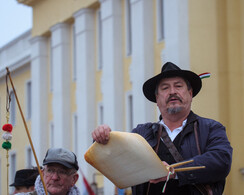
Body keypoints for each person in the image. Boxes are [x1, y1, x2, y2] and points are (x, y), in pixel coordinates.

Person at [92, 62, 233, 195]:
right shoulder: (141, 134)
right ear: (157, 99)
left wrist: (174, 172)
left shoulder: (211, 128)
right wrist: (103, 140)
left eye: (178, 86)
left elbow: (221, 161)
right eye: (165, 88)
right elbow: (118, 163)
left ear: (190, 94)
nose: (172, 92)